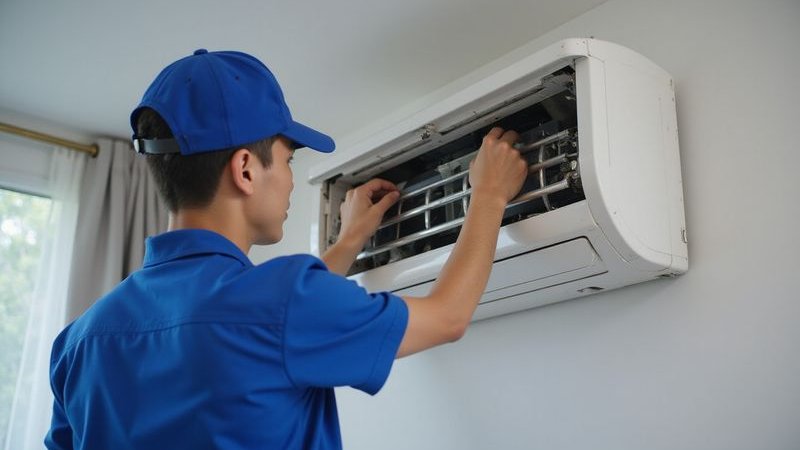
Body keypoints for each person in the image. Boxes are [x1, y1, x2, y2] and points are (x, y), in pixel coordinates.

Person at [45, 49, 528, 449]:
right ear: (246, 169)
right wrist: (488, 195)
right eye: (288, 159)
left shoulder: (78, 344)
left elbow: (269, 322)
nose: (292, 179)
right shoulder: (283, 301)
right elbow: (447, 318)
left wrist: (350, 241)